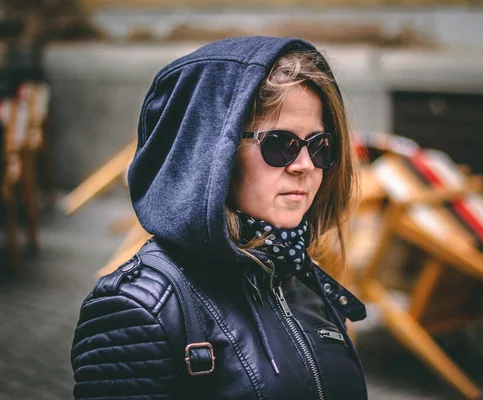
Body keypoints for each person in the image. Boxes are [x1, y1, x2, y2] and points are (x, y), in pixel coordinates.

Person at [71, 36, 368, 399]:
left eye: (320, 145)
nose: (305, 166)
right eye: (280, 144)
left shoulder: (298, 274)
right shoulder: (137, 307)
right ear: (212, 152)